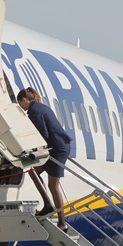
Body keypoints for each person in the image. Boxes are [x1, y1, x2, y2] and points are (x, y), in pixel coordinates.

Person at [17, 87, 72, 231]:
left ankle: (62, 222)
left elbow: (43, 134)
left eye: (20, 104)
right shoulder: (41, 107)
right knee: (33, 172)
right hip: (56, 147)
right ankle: (48, 204)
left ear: (24, 100)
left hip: (57, 149)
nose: (21, 108)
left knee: (53, 186)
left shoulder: (35, 112)